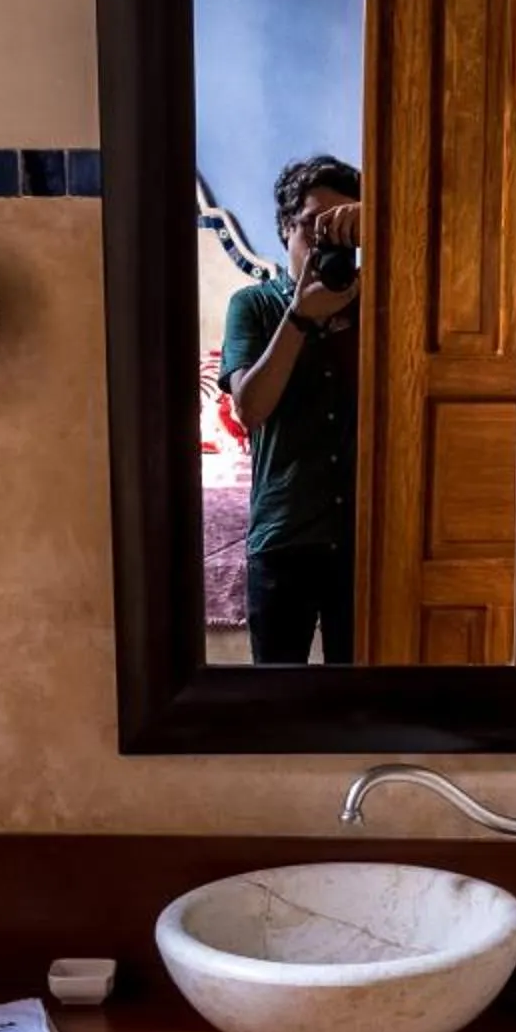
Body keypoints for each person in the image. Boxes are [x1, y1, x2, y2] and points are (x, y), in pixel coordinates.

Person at [218, 153, 362, 665]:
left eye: (343, 228)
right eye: (314, 227)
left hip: (365, 542)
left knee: (360, 706)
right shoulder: (253, 306)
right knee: (275, 704)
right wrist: (300, 316)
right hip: (284, 536)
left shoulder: (383, 305)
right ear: (285, 228)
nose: (327, 243)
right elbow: (251, 408)